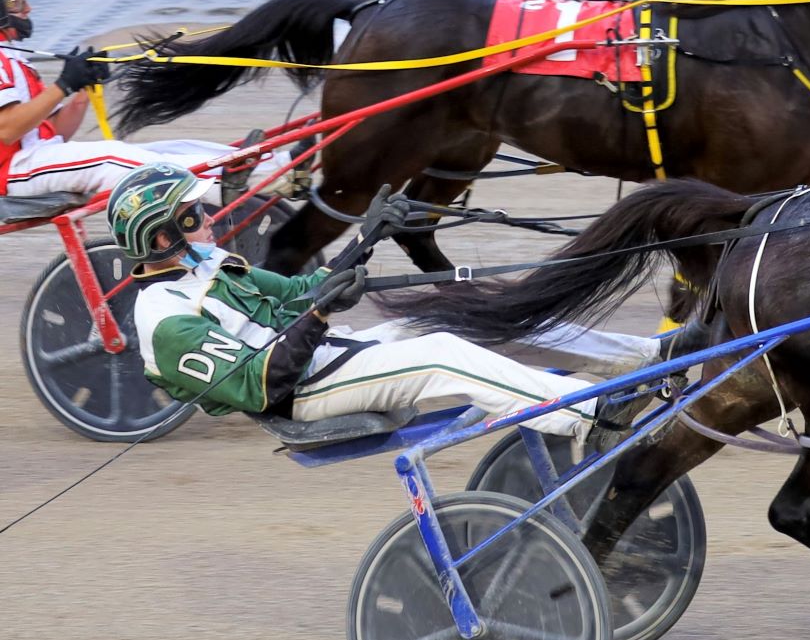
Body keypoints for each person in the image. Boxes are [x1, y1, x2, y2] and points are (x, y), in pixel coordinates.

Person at [107, 162, 672, 441]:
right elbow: (265, 382)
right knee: (443, 354)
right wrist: (322, 313)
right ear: (162, 238)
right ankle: (589, 416)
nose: (207, 219)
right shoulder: (166, 323)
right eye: (192, 216)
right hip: (300, 395)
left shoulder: (207, 263)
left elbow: (303, 293)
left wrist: (366, 237)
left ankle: (643, 357)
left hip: (329, 353)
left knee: (471, 312)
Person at [0, 0, 284, 202]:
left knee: (174, 149)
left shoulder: (13, 56)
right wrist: (62, 85)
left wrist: (82, 89)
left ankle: (276, 166)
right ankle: (230, 183)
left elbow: (56, 132)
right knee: (112, 157)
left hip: (35, 160)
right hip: (12, 171)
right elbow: (6, 130)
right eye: (17, 1)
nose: (27, 9)